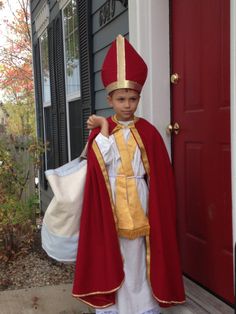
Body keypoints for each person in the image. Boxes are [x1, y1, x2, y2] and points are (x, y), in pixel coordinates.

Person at [72, 34, 185, 314]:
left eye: (132, 98)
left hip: (140, 198)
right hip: (109, 201)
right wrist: (104, 128)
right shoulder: (101, 130)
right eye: (121, 98)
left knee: (138, 253)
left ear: (139, 98)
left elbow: (159, 175)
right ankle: (115, 307)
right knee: (115, 252)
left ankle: (143, 305)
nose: (127, 104)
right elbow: (102, 162)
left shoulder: (148, 131)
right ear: (110, 99)